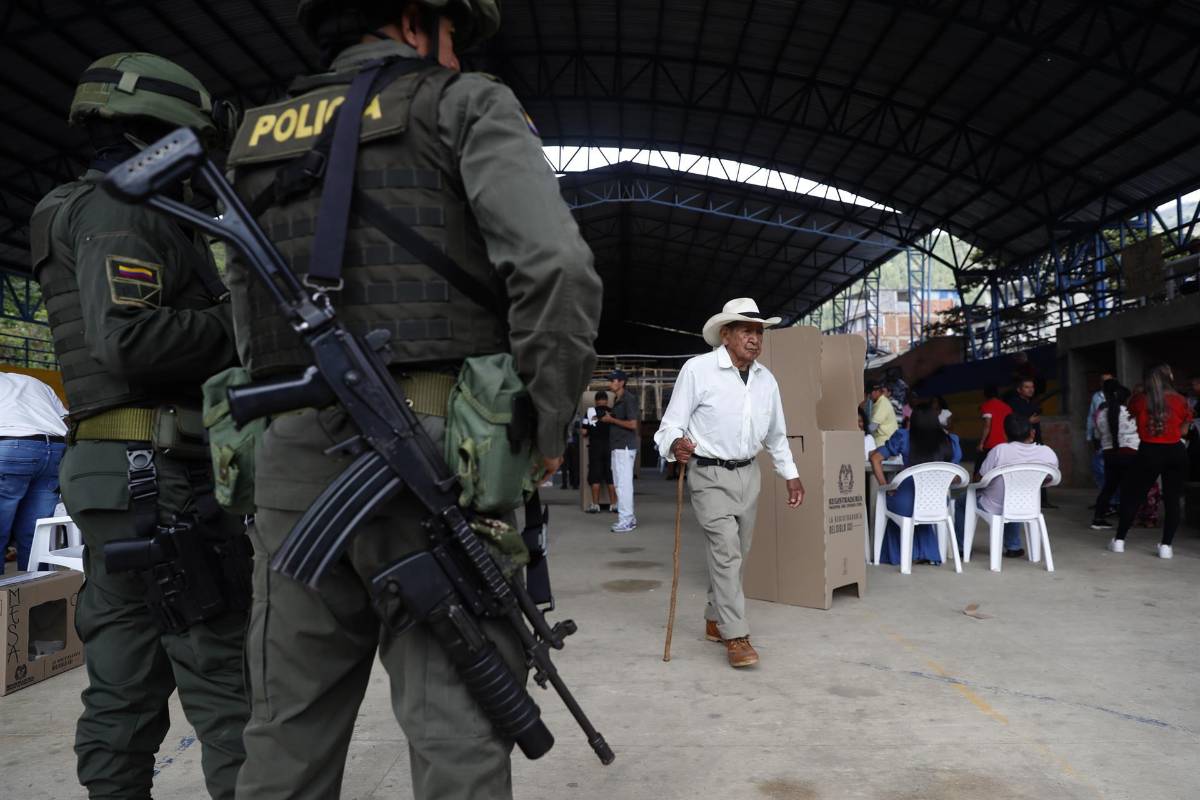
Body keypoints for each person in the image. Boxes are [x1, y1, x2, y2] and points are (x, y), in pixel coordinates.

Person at [224, 1, 602, 797]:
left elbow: (244, 307)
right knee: (458, 729)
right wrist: (548, 422)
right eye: (454, 36)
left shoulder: (256, 136)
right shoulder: (464, 102)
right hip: (441, 456)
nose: (457, 55)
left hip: (293, 456)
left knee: (286, 734)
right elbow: (556, 269)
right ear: (413, 19)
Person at [29, 54, 250, 798]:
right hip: (160, 475)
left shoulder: (75, 205)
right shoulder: (122, 210)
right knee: (226, 688)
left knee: (124, 685)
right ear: (170, 133)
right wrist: (240, 321)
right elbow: (128, 341)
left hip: (118, 473)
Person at [654, 298, 804, 669]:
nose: (755, 339)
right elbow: (670, 425)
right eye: (746, 331)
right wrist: (675, 444)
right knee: (725, 550)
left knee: (738, 555)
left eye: (759, 332)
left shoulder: (766, 380)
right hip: (708, 474)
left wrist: (791, 475)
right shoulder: (698, 370)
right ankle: (735, 635)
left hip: (748, 474)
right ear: (726, 334)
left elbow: (776, 435)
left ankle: (712, 617)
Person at [1109, 364, 1193, 559]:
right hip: (1175, 451)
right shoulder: (1180, 400)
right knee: (1172, 499)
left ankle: (1119, 541)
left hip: (1148, 451)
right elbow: (1184, 431)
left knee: (1133, 496)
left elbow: (1133, 416)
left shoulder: (1139, 400)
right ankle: (1166, 547)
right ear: (1168, 377)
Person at [869, 403, 963, 568]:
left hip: (905, 502)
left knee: (893, 503)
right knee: (920, 511)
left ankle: (900, 555)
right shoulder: (951, 441)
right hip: (937, 503)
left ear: (912, 421)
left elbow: (876, 458)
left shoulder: (903, 437)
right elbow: (955, 475)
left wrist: (885, 485)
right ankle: (926, 553)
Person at [0, 372, 68, 570]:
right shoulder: (36, 382)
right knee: (37, 532)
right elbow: (65, 417)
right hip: (55, 448)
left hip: (12, 444)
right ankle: (39, 593)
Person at [974, 414, 1060, 557]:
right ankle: (1013, 546)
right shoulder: (1047, 453)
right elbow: (1051, 478)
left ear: (1004, 433)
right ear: (1032, 433)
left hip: (994, 505)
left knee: (962, 502)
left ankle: (961, 547)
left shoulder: (999, 450)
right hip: (1027, 504)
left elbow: (980, 479)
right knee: (1016, 495)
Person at [1090, 383, 1137, 530]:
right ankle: (1126, 521)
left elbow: (1097, 435)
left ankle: (1098, 518)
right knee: (1128, 488)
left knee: (1109, 487)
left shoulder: (1101, 414)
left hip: (1109, 454)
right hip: (1129, 453)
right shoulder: (1130, 413)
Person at [1004, 377, 1055, 507]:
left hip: (1036, 441)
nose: (1030, 389)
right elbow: (1012, 422)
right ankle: (1022, 498)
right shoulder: (1014, 403)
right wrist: (1028, 421)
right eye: (1027, 387)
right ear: (1019, 390)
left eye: (1032, 387)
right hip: (1020, 443)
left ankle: (1042, 500)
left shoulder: (1032, 403)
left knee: (1040, 468)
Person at [601, 368, 640, 532]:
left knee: (623, 485)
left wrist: (611, 419)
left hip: (624, 447)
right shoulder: (618, 399)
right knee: (619, 484)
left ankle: (627, 519)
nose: (610, 383)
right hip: (618, 446)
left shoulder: (628, 399)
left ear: (621, 382)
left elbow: (633, 424)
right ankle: (627, 517)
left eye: (613, 380)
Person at [583, 390, 616, 512]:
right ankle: (614, 504)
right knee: (611, 476)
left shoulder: (589, 412)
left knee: (595, 477)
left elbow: (584, 432)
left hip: (595, 448)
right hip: (610, 447)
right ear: (607, 400)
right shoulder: (613, 412)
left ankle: (595, 505)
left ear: (596, 401)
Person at [1086, 371, 1116, 489]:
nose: (1105, 383)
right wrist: (1089, 435)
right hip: (1098, 436)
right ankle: (1103, 495)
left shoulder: (1117, 395)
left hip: (1113, 436)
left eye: (1108, 380)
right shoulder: (1096, 396)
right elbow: (1091, 416)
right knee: (1100, 467)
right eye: (1103, 380)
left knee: (1112, 466)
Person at [976, 384, 1011, 473]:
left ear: (985, 394)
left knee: (981, 469)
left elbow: (987, 425)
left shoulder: (986, 406)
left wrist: (981, 443)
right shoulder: (1007, 407)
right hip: (1005, 443)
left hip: (990, 443)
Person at [868, 381, 898, 447]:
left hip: (885, 441)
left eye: (869, 393)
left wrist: (862, 432)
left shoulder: (882, 403)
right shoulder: (878, 402)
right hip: (882, 440)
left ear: (876, 392)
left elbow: (873, 426)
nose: (869, 396)